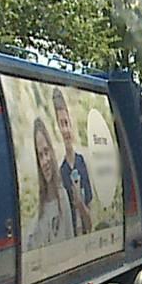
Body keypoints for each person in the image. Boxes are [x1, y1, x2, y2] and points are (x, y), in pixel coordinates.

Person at [50, 90, 95, 234]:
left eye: (66, 123)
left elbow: (91, 224)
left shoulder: (82, 162)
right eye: (60, 125)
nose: (65, 130)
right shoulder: (60, 173)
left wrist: (80, 204)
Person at [29, 118, 71, 245]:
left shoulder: (63, 198)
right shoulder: (39, 212)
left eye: (46, 152)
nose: (45, 161)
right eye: (40, 155)